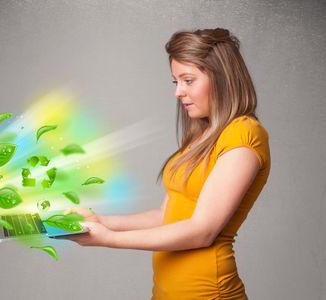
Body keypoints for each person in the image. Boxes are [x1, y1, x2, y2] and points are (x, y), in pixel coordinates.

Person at [65, 28, 270, 299]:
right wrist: (102, 221)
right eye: (176, 82)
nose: (178, 92)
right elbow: (166, 215)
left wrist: (108, 239)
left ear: (222, 79)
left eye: (188, 80)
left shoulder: (244, 134)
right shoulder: (203, 135)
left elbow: (202, 231)